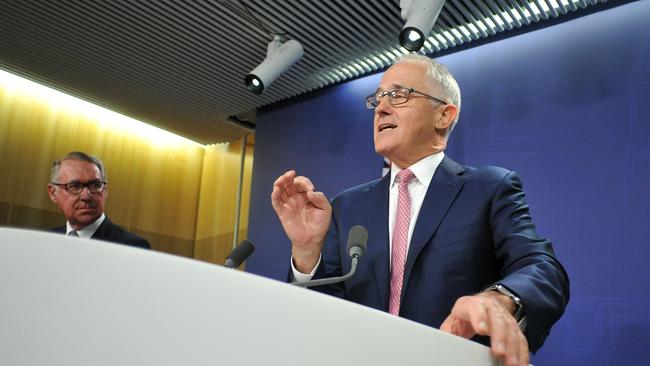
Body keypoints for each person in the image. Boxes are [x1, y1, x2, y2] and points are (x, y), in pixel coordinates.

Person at [271, 54, 569, 366]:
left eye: (399, 95)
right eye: (378, 98)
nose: (381, 108)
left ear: (444, 115)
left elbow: (543, 268)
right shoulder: (347, 205)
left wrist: (499, 299)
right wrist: (306, 253)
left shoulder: (489, 187)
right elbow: (324, 315)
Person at [47, 151, 150, 249]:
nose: (86, 196)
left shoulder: (132, 247)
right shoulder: (46, 240)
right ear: (53, 193)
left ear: (105, 190)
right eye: (75, 186)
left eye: (95, 185)